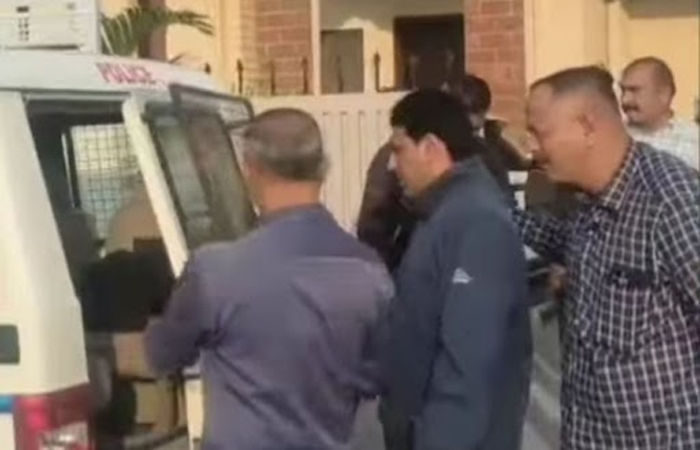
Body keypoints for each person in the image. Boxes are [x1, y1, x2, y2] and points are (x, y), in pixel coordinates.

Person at [145, 108, 393, 450]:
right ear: (324, 169)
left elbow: (161, 355)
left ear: (251, 170)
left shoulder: (216, 271)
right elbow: (380, 375)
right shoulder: (368, 270)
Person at [517, 65, 700, 449]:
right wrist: (492, 210)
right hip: (587, 435)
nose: (531, 147)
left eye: (540, 132)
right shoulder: (587, 202)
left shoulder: (672, 201)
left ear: (587, 127)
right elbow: (563, 241)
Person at [380, 90, 532, 450]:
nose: (391, 166)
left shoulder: (477, 222)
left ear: (431, 147)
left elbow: (469, 365)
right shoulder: (442, 212)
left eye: (399, 150)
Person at [357, 73, 527, 270]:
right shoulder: (397, 155)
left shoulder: (485, 156)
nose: (461, 139)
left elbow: (505, 212)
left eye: (472, 131)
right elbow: (372, 225)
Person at [621, 56, 699, 170]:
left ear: (664, 95)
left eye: (634, 90)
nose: (625, 100)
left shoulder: (693, 140)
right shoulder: (614, 137)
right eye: (623, 91)